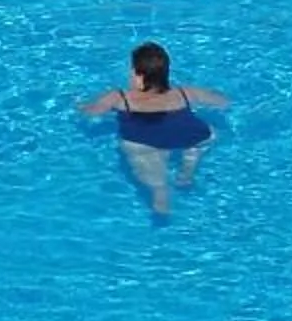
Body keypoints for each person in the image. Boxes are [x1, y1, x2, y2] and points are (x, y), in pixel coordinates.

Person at [78, 41, 231, 216]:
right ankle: (186, 172)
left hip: (145, 142)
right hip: (189, 133)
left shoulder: (119, 97)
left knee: (156, 182)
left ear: (139, 76)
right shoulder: (184, 92)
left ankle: (161, 203)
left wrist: (79, 105)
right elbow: (223, 102)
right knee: (207, 137)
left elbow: (91, 113)